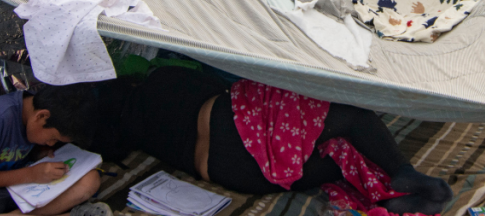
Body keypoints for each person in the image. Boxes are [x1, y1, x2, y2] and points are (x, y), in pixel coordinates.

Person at [88, 67, 453, 215]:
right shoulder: (160, 81)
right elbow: (223, 88)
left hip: (237, 174)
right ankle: (401, 173)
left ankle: (395, 196)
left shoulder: (127, 136)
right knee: (347, 121)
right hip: (235, 130)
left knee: (336, 160)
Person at [0, 84, 108, 216]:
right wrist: (29, 174)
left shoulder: (33, 114)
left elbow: (16, 148)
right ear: (41, 116)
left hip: (21, 186)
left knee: (90, 179)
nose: (50, 144)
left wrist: (38, 154)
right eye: (52, 138)